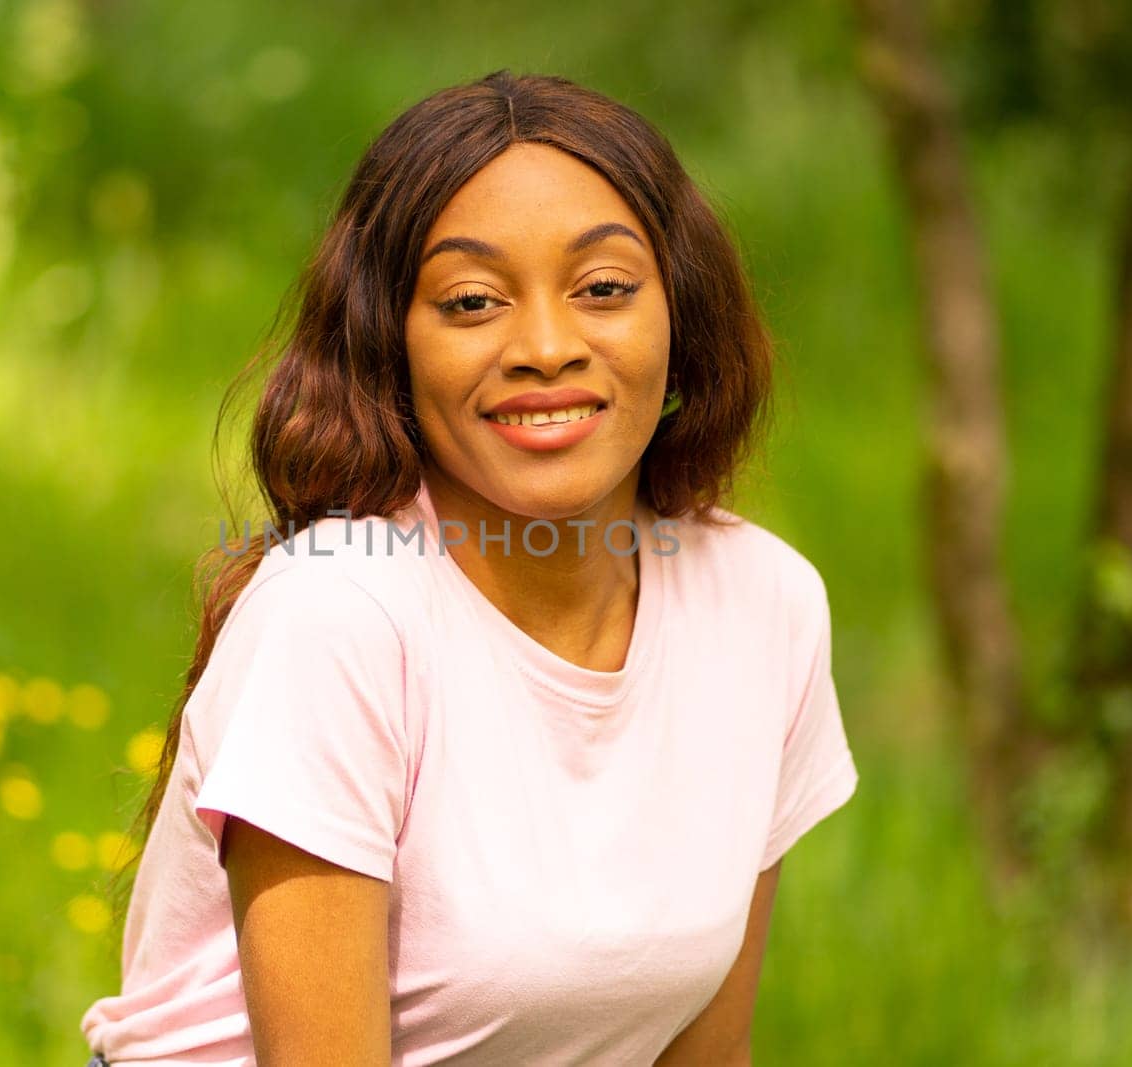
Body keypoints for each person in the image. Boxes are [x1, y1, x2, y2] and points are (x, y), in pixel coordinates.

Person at [79, 68, 859, 1066]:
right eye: (473, 300)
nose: (544, 346)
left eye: (605, 289)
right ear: (388, 344)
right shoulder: (338, 619)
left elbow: (704, 1055)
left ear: (683, 313)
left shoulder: (763, 604)